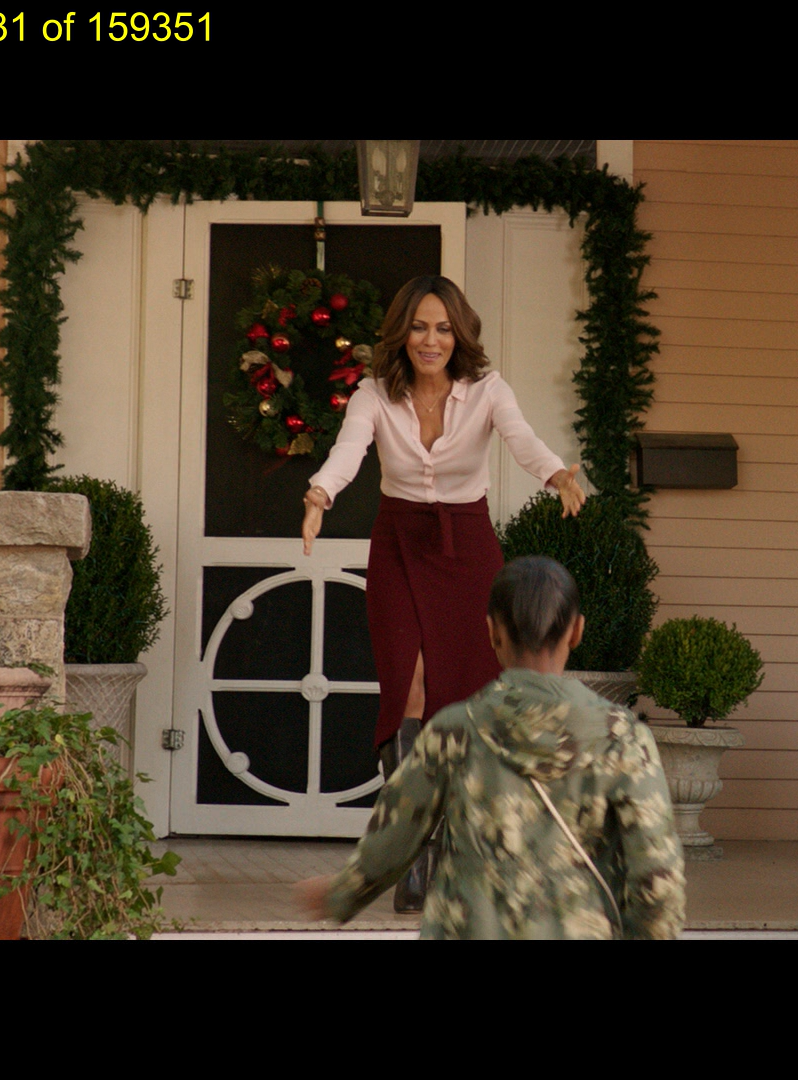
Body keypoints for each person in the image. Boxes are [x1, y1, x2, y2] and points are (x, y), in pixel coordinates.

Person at [302, 275, 585, 913]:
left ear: (459, 336)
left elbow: (521, 438)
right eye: (420, 327)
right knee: (409, 686)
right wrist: (320, 493)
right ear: (402, 333)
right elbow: (349, 452)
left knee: (464, 695)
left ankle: (455, 845)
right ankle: (412, 853)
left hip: (469, 549)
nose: (431, 340)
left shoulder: (488, 390)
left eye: (443, 328)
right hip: (399, 544)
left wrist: (556, 474)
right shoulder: (374, 395)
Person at [293, 556, 685, 939]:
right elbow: (658, 877)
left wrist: (339, 895)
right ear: (577, 631)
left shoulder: (454, 731)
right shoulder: (623, 738)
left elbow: (395, 840)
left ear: (493, 632)